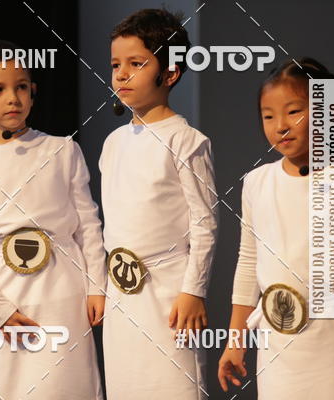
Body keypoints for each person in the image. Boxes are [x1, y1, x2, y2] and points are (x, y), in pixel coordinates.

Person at [218, 57, 334, 399]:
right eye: (268, 116)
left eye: (293, 112)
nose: (280, 126)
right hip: (279, 341)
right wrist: (235, 341)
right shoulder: (257, 182)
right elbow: (249, 263)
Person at [0, 39, 105, 400]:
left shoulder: (62, 150)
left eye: (20, 87)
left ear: (32, 92)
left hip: (64, 295)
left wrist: (97, 286)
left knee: (67, 387)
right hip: (8, 298)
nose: (12, 98)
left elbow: (88, 225)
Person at [100, 9, 218, 400]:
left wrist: (193, 291)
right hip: (122, 296)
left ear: (170, 73)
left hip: (169, 294)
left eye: (136, 64)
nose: (122, 74)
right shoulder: (113, 143)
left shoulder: (186, 141)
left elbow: (205, 223)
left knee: (174, 386)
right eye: (116, 64)